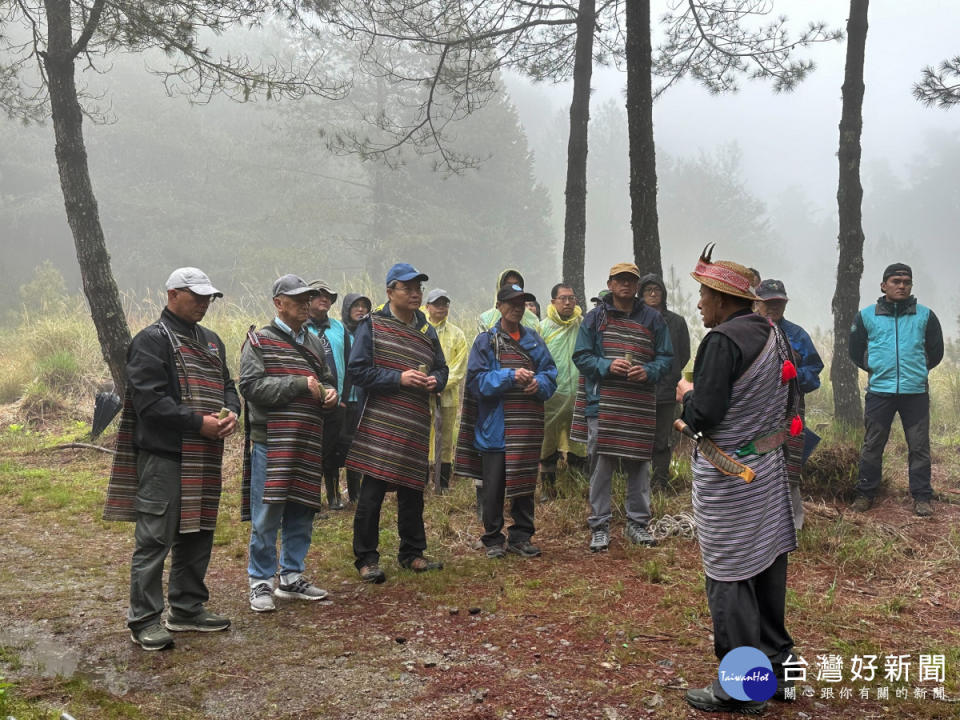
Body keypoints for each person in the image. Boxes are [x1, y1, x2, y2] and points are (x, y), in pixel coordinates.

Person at [676, 246, 798, 714]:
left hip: (729, 477)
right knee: (766, 567)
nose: (700, 303)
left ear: (724, 299)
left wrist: (687, 394)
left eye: (705, 295)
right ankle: (781, 673)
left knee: (728, 575)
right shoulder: (772, 335)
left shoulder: (722, 342)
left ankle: (741, 688)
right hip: (767, 470)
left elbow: (705, 416)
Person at [105, 267, 239, 650]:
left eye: (207, 298)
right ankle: (144, 619)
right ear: (172, 294)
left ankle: (187, 607)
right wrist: (199, 422)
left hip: (205, 456)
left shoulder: (212, 341)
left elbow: (228, 385)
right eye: (195, 296)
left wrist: (231, 413)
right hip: (166, 456)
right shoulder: (150, 340)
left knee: (198, 534)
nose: (202, 304)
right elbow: (150, 401)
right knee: (154, 540)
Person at [240, 274, 339, 613]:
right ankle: (260, 582)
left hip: (307, 438)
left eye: (306, 299)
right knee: (267, 513)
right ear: (278, 303)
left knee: (302, 509)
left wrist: (330, 394)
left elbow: (325, 379)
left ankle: (292, 576)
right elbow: (251, 387)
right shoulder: (259, 340)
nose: (304, 304)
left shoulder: (314, 343)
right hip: (271, 441)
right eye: (296, 299)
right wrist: (299, 384)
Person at [347, 263, 449, 583]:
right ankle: (366, 558)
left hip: (415, 421)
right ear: (390, 292)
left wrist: (435, 380)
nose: (416, 292)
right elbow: (358, 371)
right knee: (373, 491)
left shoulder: (426, 330)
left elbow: (443, 369)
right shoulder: (373, 325)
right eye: (408, 287)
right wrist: (398, 378)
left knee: (412, 491)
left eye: (418, 286)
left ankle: (412, 553)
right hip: (381, 421)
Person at [572, 262, 673, 552]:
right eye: (620, 280)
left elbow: (666, 357)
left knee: (640, 464)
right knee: (601, 465)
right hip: (603, 404)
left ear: (637, 286)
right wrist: (606, 365)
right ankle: (600, 526)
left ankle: (637, 524)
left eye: (631, 280)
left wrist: (649, 371)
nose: (626, 285)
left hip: (639, 404)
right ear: (610, 283)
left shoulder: (653, 319)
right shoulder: (595, 319)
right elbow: (581, 356)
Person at [459, 283, 557, 558]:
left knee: (524, 484)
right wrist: (510, 376)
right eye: (511, 302)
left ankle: (521, 536)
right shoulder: (486, 342)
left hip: (526, 429)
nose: (516, 307)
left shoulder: (535, 341)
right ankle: (492, 539)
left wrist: (538, 383)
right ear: (499, 306)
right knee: (494, 487)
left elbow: (551, 374)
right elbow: (477, 383)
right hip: (497, 428)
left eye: (521, 302)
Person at [849, 263, 943, 517]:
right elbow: (855, 351)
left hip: (915, 393)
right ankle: (865, 494)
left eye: (906, 282)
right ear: (883, 285)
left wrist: (917, 371)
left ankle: (922, 497)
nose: (902, 286)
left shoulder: (925, 315)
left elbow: (936, 352)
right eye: (896, 281)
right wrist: (875, 368)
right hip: (880, 391)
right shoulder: (867, 315)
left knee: (919, 446)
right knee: (873, 444)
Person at [755, 279, 824, 529]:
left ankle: (794, 524)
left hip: (790, 411)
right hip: (755, 411)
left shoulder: (797, 334)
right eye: (769, 302)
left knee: (790, 464)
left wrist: (794, 374)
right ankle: (759, 523)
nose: (774, 307)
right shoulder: (747, 332)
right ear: (757, 302)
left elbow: (814, 373)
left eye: (779, 302)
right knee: (755, 459)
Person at [639, 274, 691, 489]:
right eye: (648, 290)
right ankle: (639, 481)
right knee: (640, 436)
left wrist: (670, 373)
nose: (653, 294)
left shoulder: (676, 322)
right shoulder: (634, 320)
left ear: (663, 293)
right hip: (639, 389)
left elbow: (684, 353)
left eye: (657, 290)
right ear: (640, 294)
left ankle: (660, 480)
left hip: (667, 389)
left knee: (662, 438)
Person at [538, 283, 586, 499]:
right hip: (552, 396)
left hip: (578, 393)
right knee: (548, 441)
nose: (568, 302)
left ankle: (578, 487)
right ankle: (548, 489)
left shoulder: (582, 326)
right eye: (563, 298)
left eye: (571, 298)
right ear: (553, 302)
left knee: (579, 442)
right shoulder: (542, 328)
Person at [305, 279, 350, 510]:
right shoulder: (300, 328)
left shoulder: (339, 328)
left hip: (337, 401)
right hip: (308, 402)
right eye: (319, 295)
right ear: (308, 299)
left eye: (329, 296)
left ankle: (334, 497)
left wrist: (344, 398)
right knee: (312, 452)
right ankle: (311, 500)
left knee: (333, 449)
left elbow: (351, 361)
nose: (325, 299)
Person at [424, 288, 468, 493]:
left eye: (445, 304)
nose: (442, 308)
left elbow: (459, 367)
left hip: (447, 396)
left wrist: (441, 384)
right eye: (437, 304)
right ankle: (421, 481)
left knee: (446, 438)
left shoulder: (457, 334)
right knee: (423, 436)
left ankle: (441, 484)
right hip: (421, 394)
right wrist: (426, 383)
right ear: (427, 307)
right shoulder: (420, 330)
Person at [340, 292, 372, 505]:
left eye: (364, 306)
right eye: (355, 306)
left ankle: (356, 492)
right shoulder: (338, 331)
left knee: (358, 444)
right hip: (342, 398)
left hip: (362, 398)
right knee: (338, 444)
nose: (360, 310)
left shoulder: (371, 331)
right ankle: (334, 493)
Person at [478, 268, 541, 335]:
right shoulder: (486, 319)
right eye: (508, 285)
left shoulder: (533, 320)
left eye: (516, 285)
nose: (512, 288)